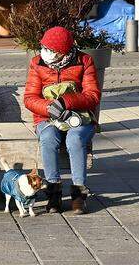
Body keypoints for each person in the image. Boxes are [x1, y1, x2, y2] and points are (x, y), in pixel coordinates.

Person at [24, 26, 101, 214]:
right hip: (47, 117)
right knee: (49, 137)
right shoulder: (37, 63)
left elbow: (92, 95)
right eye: (44, 47)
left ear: (63, 51)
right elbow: (29, 98)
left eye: (51, 50)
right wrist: (49, 107)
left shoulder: (84, 61)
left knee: (75, 139)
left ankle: (78, 195)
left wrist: (66, 102)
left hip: (79, 117)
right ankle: (53, 193)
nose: (45, 53)